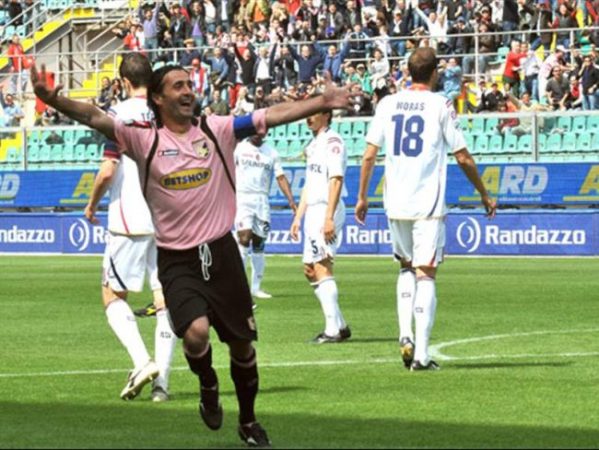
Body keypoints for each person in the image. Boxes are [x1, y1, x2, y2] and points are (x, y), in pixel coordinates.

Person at [32, 61, 354, 448]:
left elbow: (271, 115)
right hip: (177, 259)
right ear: (157, 97)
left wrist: (321, 101)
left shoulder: (217, 129)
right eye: (177, 86)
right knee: (196, 335)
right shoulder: (144, 140)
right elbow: (95, 117)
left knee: (242, 345)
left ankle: (248, 421)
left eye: (189, 84)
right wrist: (54, 100)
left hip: (222, 252)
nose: (187, 91)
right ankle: (207, 382)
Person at [355, 48, 496, 371]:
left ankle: (405, 334)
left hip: (395, 201)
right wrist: (484, 193)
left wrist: (362, 197)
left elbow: (369, 154)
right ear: (434, 74)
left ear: (408, 71)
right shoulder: (440, 105)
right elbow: (462, 156)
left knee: (405, 267)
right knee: (426, 273)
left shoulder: (388, 103)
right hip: (427, 203)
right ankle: (421, 354)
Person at [83, 54, 177, 403]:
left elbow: (108, 170)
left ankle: (142, 362)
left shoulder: (118, 115)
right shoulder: (165, 113)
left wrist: (92, 204)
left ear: (123, 82)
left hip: (130, 218)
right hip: (167, 218)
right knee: (164, 299)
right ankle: (161, 385)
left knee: (112, 295)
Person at [290, 108, 351, 344]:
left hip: (327, 208)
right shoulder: (313, 144)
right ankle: (340, 324)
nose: (308, 117)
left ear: (326, 115)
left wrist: (329, 217)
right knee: (309, 269)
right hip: (313, 210)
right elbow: (309, 183)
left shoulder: (333, 142)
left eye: (314, 112)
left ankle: (332, 330)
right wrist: (298, 217)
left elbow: (336, 179)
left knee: (322, 266)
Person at [235, 134, 296, 300]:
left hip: (262, 199)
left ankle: (256, 288)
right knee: (244, 238)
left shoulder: (271, 152)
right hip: (243, 197)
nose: (258, 133)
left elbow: (280, 177)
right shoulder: (239, 148)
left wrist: (291, 200)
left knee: (259, 243)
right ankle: (239, 287)